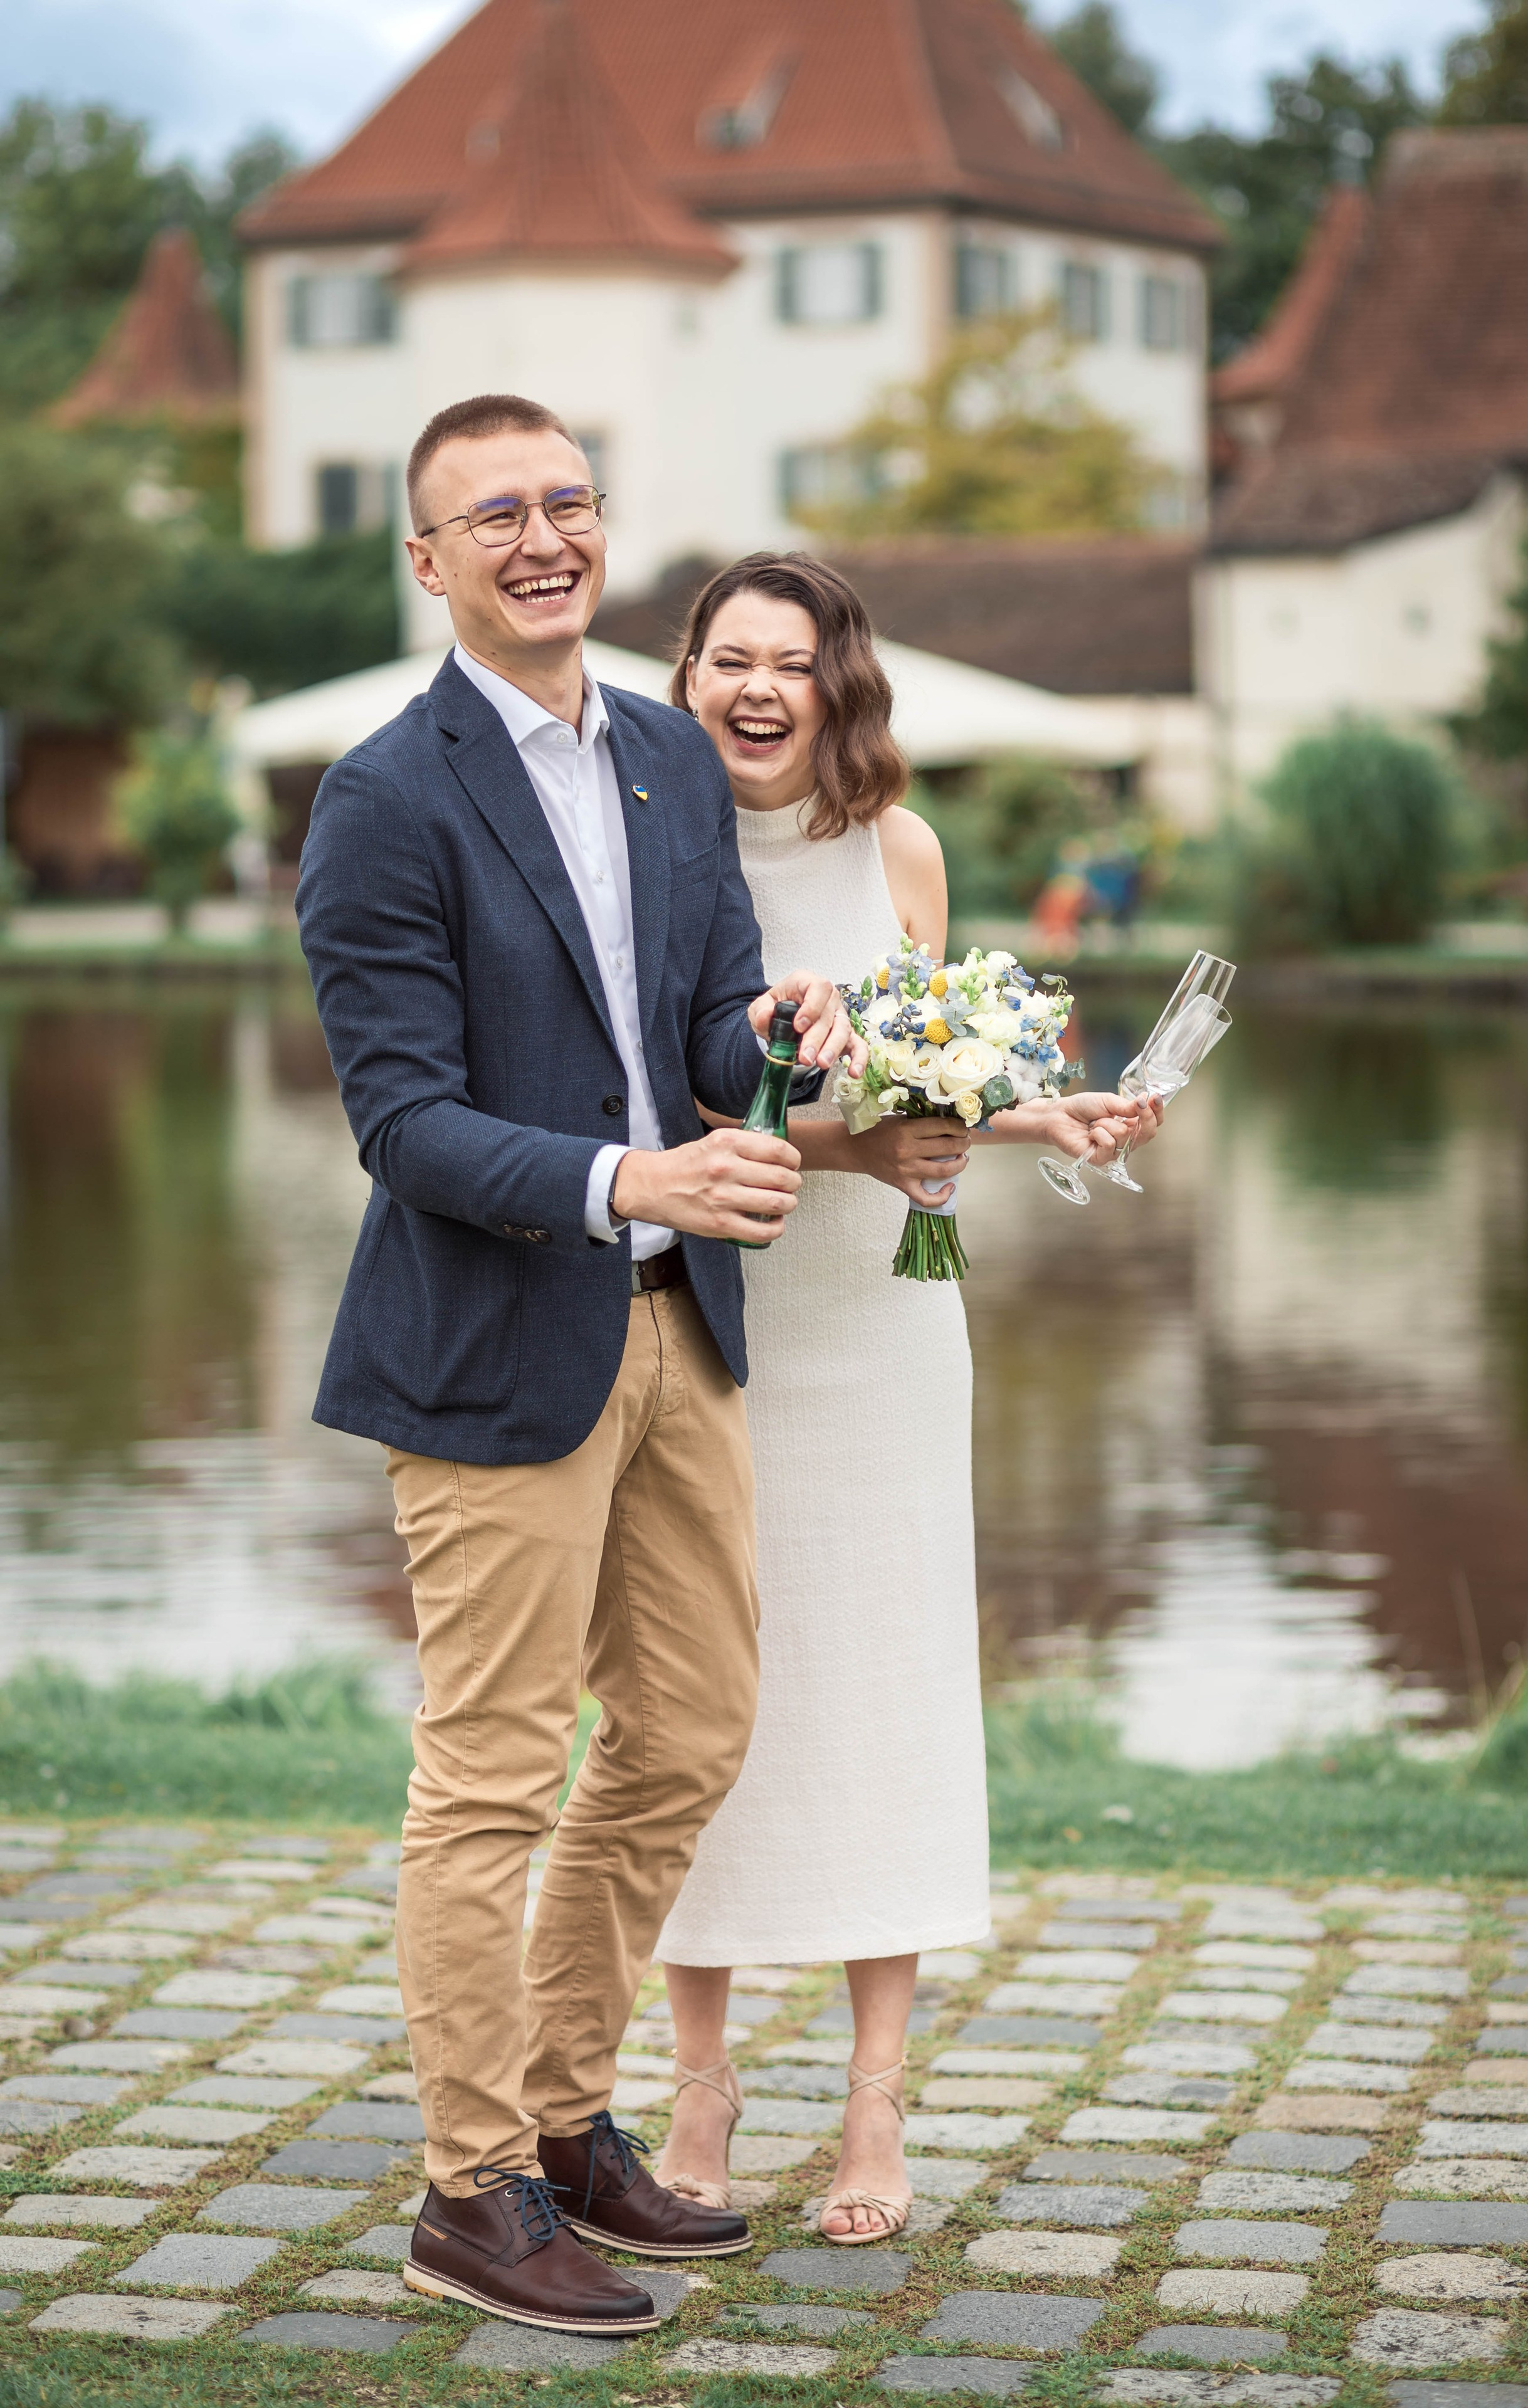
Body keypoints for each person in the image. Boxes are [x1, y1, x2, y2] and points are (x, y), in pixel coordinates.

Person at [295, 403, 862, 2337]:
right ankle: (470, 2187)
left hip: (676, 1327)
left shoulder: (668, 758)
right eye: (494, 513)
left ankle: (560, 2123)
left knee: (690, 1729)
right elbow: (405, 1124)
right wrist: (636, 1173)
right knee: (488, 1776)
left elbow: (696, 1012)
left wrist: (770, 1028)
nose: (541, 536)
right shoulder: (383, 796)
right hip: (486, 1348)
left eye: (565, 501)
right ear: (429, 560)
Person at [652, 555, 1155, 2242]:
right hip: (715, 1310)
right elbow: (651, 1105)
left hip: (880, 1320)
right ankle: (700, 2086)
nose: (760, 686)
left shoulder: (902, 851)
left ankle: (875, 2104)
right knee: (700, 1695)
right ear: (693, 675)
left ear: (838, 684)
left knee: (881, 1681)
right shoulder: (653, 850)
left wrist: (1043, 1120)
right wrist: (849, 1141)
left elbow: (927, 1070)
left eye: (792, 660)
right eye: (731, 657)